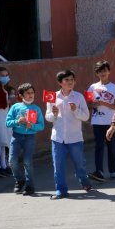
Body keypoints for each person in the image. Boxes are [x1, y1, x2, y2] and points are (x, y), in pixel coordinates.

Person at [45, 69, 94, 199]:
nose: (70, 82)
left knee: (79, 164)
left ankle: (84, 181)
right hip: (58, 137)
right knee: (58, 165)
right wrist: (53, 114)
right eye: (67, 80)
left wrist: (76, 110)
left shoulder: (78, 96)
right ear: (60, 82)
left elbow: (86, 116)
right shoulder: (52, 97)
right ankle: (61, 190)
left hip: (75, 137)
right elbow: (48, 117)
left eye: (72, 80)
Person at [6, 83, 45, 195]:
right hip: (16, 136)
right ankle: (19, 180)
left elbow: (41, 126)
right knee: (12, 161)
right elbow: (7, 123)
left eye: (32, 92)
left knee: (27, 161)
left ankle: (30, 185)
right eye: (28, 93)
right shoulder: (15, 107)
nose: (31, 95)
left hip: (29, 137)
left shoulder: (36, 108)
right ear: (21, 95)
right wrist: (17, 121)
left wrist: (31, 126)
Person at [88, 61, 115, 181]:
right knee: (99, 146)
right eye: (100, 71)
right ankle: (99, 171)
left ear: (109, 71)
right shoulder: (92, 87)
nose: (103, 73)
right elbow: (88, 104)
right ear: (97, 73)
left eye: (105, 70)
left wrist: (103, 103)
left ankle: (113, 170)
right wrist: (93, 105)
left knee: (110, 147)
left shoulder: (114, 87)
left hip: (110, 123)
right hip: (97, 122)